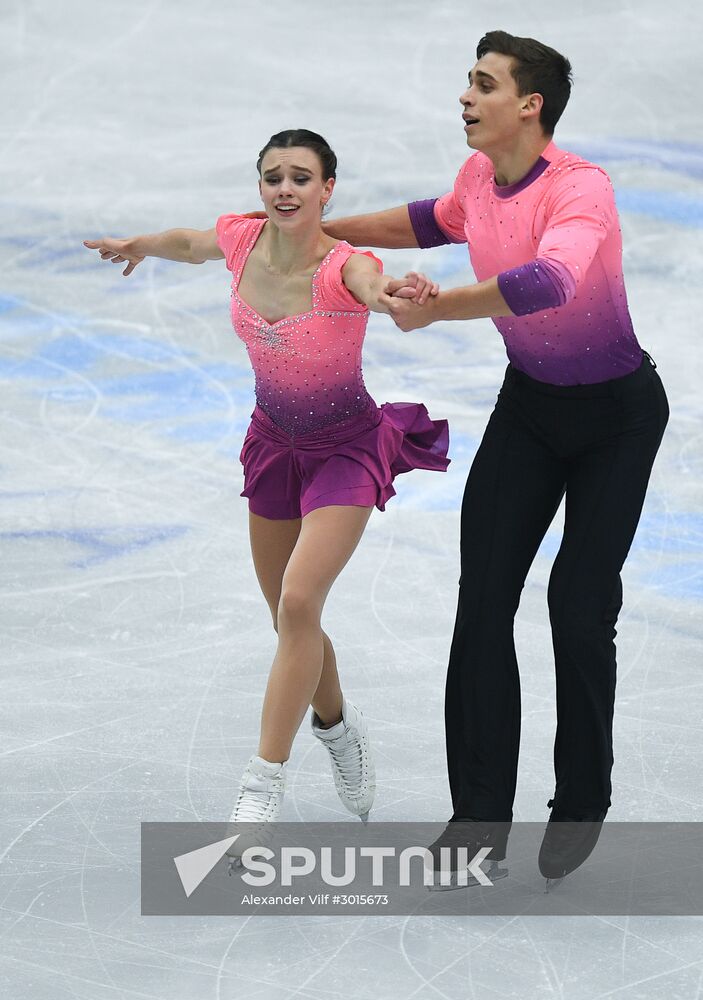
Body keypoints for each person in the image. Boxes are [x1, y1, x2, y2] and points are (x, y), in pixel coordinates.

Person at [323, 31, 669, 888]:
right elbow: (430, 223)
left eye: (483, 85)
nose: (465, 97)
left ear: (530, 105)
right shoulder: (480, 177)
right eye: (466, 82)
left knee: (577, 607)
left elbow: (550, 281)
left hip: (617, 421)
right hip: (530, 411)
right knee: (481, 604)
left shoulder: (581, 188)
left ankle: (581, 798)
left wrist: (441, 313)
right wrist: (319, 230)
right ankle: (478, 814)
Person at [83, 129, 449, 844]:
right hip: (273, 446)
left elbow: (373, 287)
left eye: (301, 178)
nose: (285, 188)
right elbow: (192, 243)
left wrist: (398, 290)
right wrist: (141, 245)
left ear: (327, 190)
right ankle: (337, 728)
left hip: (345, 449)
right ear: (260, 189)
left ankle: (263, 780)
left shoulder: (345, 266)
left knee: (299, 598)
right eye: (273, 177)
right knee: (290, 621)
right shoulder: (241, 241)